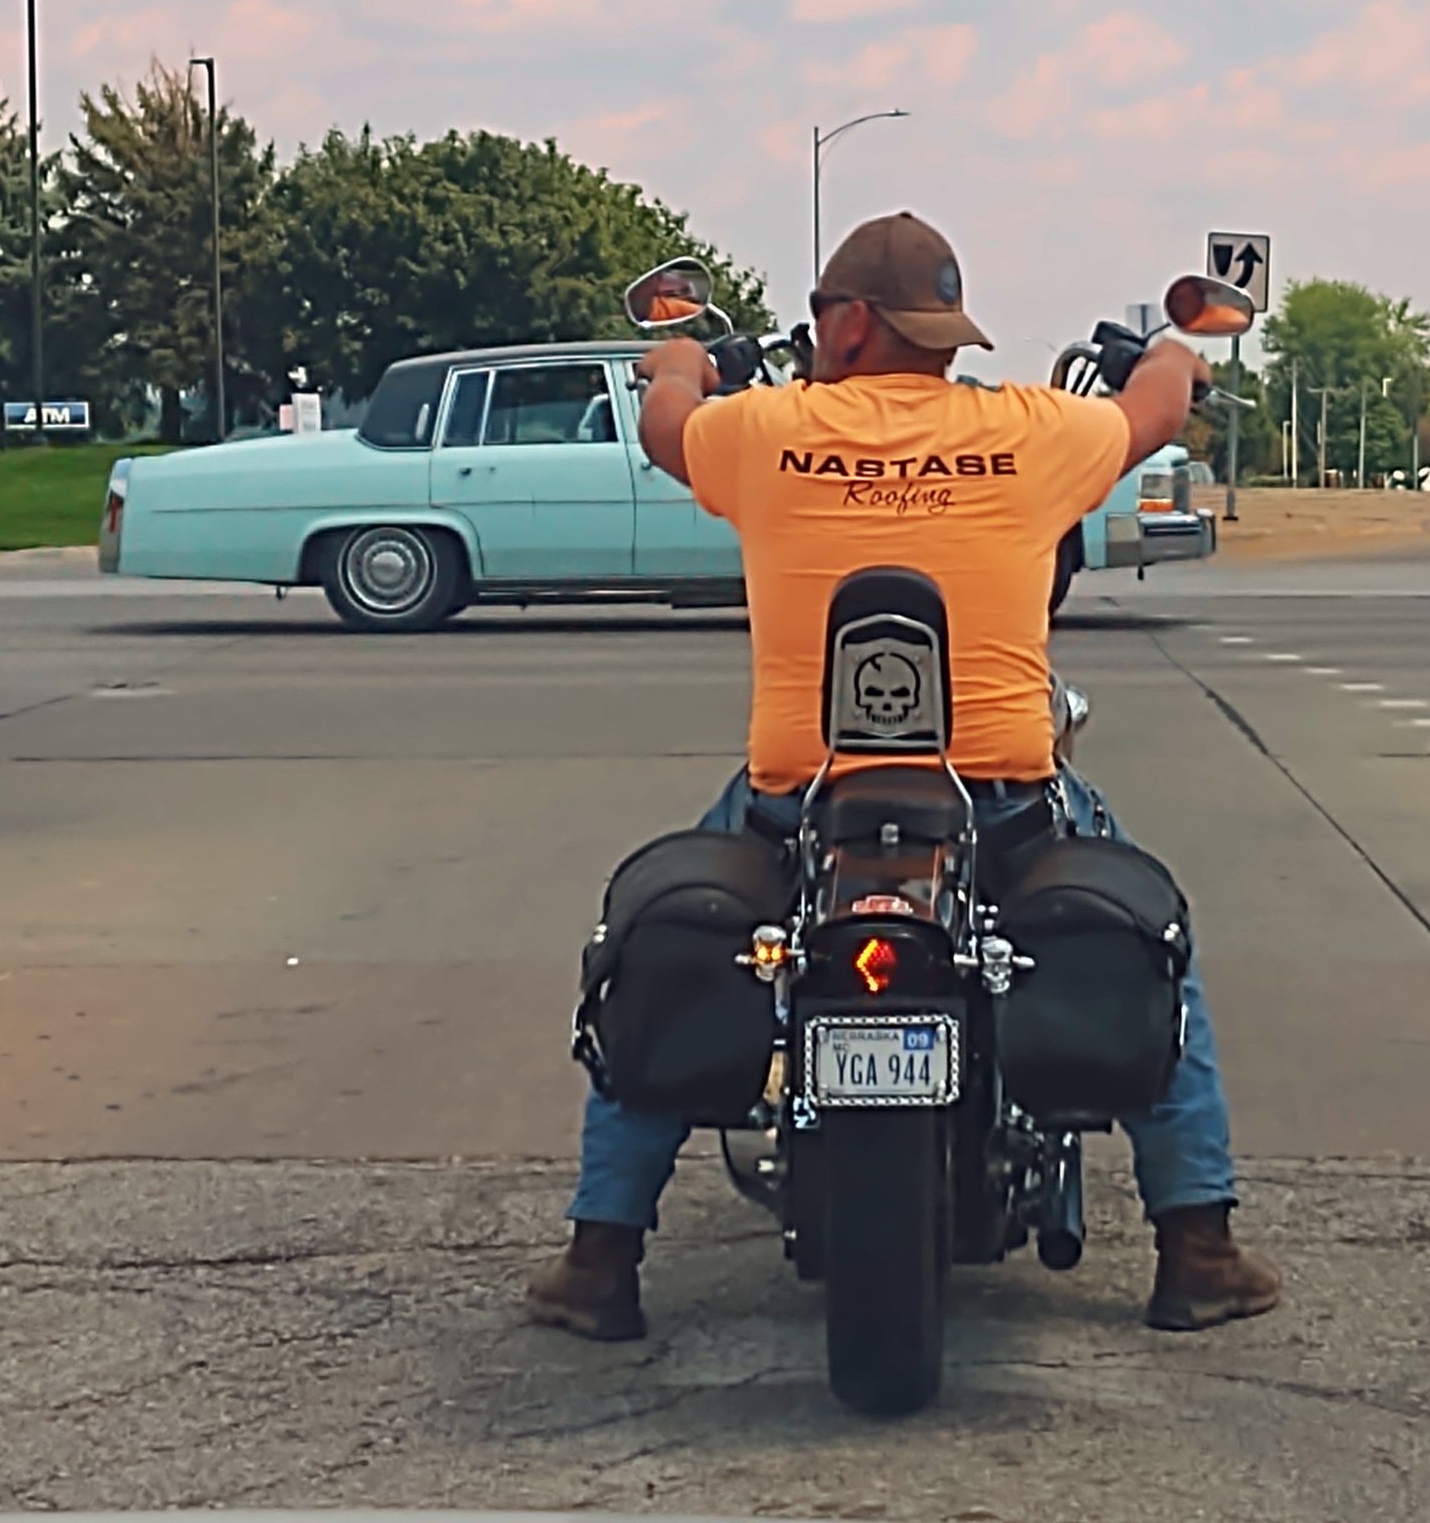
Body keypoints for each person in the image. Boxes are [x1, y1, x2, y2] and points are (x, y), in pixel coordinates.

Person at [529, 213, 1280, 1340]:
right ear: (942, 332)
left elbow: (666, 425)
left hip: (802, 802)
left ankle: (599, 1256)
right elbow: (1155, 414)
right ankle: (1198, 1246)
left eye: (826, 311)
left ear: (852, 321)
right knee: (1158, 958)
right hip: (1003, 800)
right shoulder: (1034, 432)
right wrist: (1174, 349)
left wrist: (678, 358)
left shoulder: (764, 430)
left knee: (659, 950)